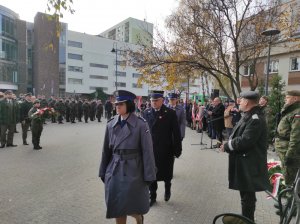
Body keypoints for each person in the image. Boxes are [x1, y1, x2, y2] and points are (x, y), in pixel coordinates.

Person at [99, 90, 156, 224]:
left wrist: (149, 174)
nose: (117, 106)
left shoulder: (141, 124)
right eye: (116, 103)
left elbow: (148, 151)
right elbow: (105, 150)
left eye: (121, 104)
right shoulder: (111, 124)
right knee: (117, 206)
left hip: (133, 169)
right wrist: (103, 171)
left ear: (129, 105)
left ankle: (138, 217)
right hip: (114, 168)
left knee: (131, 206)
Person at [220, 91, 269, 222]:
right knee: (246, 196)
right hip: (245, 162)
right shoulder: (249, 115)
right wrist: (228, 143)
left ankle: (248, 220)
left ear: (247, 102)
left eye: (241, 100)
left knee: (248, 197)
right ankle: (247, 219)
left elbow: (245, 140)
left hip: (249, 164)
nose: (239, 102)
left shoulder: (255, 119)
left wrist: (227, 145)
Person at [142, 90, 182, 206]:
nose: (153, 103)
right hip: (151, 150)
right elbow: (143, 132)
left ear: (162, 100)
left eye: (156, 100)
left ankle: (167, 189)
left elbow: (176, 133)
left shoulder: (170, 113)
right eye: (152, 100)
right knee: (152, 174)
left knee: (166, 173)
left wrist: (177, 149)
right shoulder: (146, 112)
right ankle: (152, 196)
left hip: (166, 149)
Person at [274, 90, 300, 186]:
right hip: (284, 148)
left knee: (290, 176)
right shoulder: (291, 110)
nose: (285, 99)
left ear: (295, 98)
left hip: (289, 150)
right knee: (286, 173)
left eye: (288, 97)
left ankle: (292, 199)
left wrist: (290, 154)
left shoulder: (297, 112)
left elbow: (296, 136)